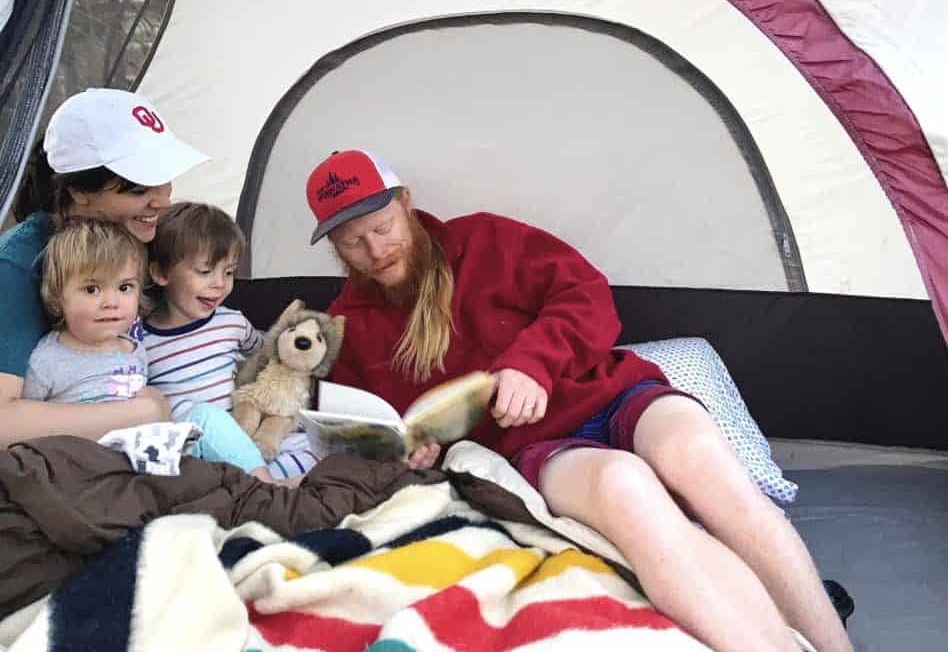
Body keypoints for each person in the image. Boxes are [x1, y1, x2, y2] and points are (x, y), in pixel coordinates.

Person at [305, 149, 854, 652]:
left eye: (382, 228)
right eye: (353, 242)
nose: (375, 251)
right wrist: (408, 451)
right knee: (625, 487)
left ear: (406, 204)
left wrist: (531, 364)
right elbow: (378, 426)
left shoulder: (487, 240)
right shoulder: (347, 325)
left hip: (615, 394)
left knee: (700, 457)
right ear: (336, 248)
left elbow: (585, 293)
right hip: (540, 446)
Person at [0, 87, 206, 446]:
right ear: (79, 191)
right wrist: (144, 411)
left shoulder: (139, 235)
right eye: (140, 189)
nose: (163, 199)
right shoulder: (17, 266)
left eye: (165, 178)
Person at [23, 218, 288, 484]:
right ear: (57, 296)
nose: (112, 302)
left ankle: (263, 484)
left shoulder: (134, 348)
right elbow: (30, 429)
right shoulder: (47, 359)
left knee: (208, 418)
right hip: (89, 470)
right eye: (92, 289)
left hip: (149, 459)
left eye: (125, 287)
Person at [144, 201, 319, 479]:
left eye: (229, 272)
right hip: (198, 451)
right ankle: (266, 488)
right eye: (205, 272)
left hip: (248, 432)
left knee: (315, 448)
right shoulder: (142, 342)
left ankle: (263, 484)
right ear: (161, 273)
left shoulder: (232, 322)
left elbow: (266, 360)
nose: (220, 284)